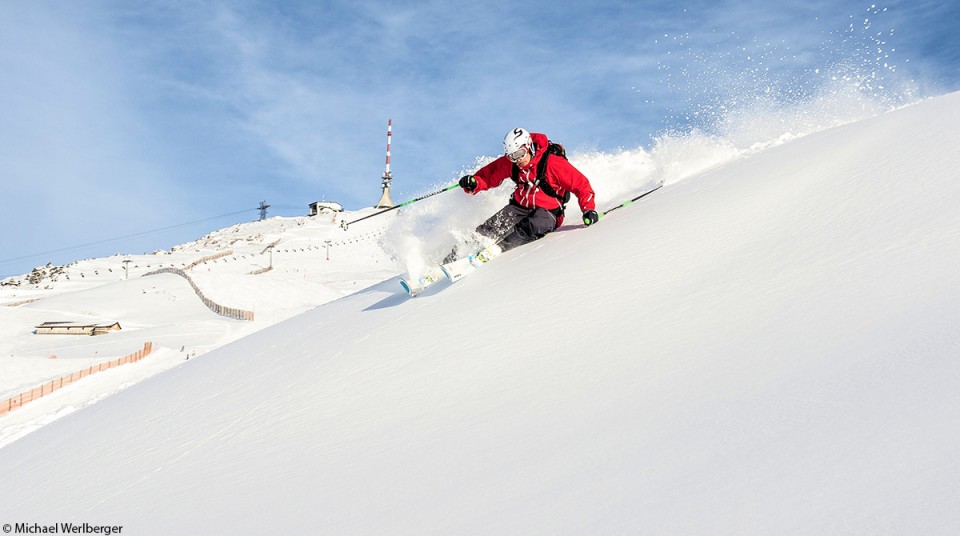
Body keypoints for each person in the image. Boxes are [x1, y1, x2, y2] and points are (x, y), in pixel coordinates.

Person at [445, 127, 599, 262]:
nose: (517, 160)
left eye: (520, 153)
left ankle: (498, 250)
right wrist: (475, 182)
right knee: (490, 227)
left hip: (549, 213)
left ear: (529, 146)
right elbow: (489, 175)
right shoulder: (511, 163)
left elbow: (581, 185)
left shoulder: (553, 163)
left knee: (532, 224)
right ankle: (453, 259)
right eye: (512, 156)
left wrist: (588, 209)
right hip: (519, 207)